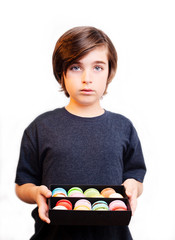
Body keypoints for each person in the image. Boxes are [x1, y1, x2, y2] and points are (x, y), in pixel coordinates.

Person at [15, 26, 146, 240]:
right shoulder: (41, 127)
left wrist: (134, 187)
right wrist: (35, 193)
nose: (87, 78)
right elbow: (23, 184)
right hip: (54, 235)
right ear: (62, 73)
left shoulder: (124, 127)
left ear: (109, 72)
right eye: (76, 67)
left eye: (97, 67)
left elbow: (135, 177)